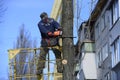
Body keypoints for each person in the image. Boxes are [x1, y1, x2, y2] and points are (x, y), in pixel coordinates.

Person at [36, 12, 63, 79]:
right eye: (44, 18)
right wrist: (53, 33)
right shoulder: (40, 24)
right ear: (42, 19)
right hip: (45, 42)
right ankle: (39, 70)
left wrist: (59, 29)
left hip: (54, 41)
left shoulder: (52, 20)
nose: (46, 19)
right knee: (42, 56)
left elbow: (58, 26)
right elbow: (47, 32)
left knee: (58, 54)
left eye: (46, 17)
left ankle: (60, 68)